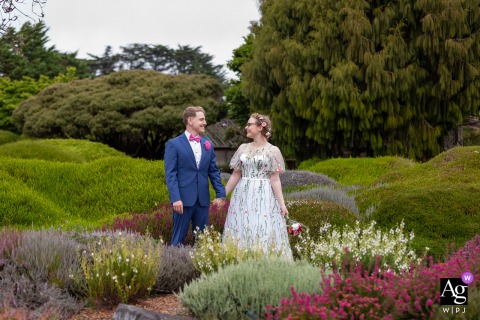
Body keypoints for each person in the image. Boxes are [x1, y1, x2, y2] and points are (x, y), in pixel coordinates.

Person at [223, 113, 292, 258]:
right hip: (242, 194)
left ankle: (263, 262)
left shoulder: (273, 151)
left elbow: (275, 179)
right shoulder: (243, 148)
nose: (246, 127)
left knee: (261, 226)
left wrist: (282, 204)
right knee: (241, 226)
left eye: (250, 124)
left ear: (261, 127)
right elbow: (236, 174)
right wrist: (222, 195)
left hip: (263, 195)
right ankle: (240, 260)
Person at [164, 106, 226, 246]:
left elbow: (214, 172)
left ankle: (198, 267)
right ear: (190, 120)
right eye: (202, 119)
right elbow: (171, 174)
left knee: (201, 241)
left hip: (203, 201)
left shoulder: (207, 145)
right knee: (177, 240)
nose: (205, 122)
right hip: (183, 201)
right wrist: (176, 198)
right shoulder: (173, 144)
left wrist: (221, 194)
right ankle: (173, 266)